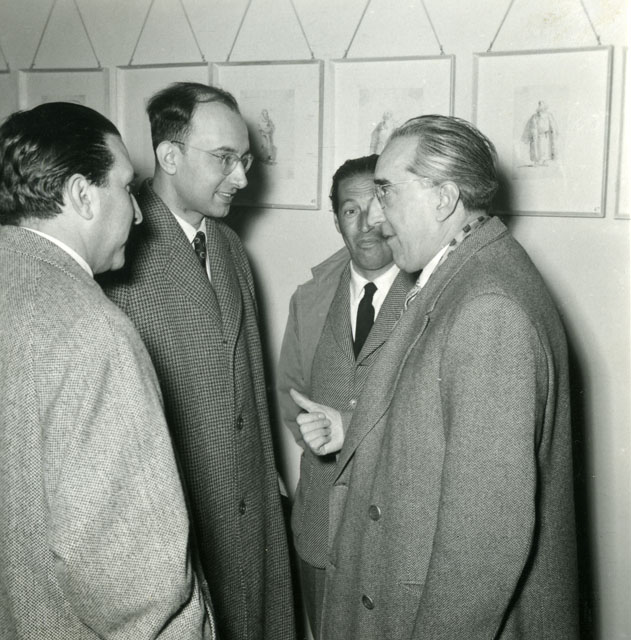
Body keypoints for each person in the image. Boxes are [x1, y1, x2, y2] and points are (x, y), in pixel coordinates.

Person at [299, 115, 579, 639]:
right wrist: (353, 429)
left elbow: (482, 548)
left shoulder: (488, 309)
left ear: (445, 199)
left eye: (386, 191)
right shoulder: (460, 272)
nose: (375, 216)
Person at [0, 102, 214, 639]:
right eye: (125, 187)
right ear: (81, 194)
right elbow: (137, 582)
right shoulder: (92, 329)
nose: (138, 214)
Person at [99, 82, 295, 640]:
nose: (242, 178)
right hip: (177, 518)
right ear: (169, 155)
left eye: (245, 160)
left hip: (248, 509)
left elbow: (249, 386)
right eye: (224, 158)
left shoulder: (229, 245)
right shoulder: (116, 252)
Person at [277, 154, 415, 638]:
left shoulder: (432, 294)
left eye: (375, 206)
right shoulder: (311, 298)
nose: (366, 224)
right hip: (319, 526)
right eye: (350, 211)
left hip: (398, 531)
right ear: (336, 220)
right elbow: (291, 394)